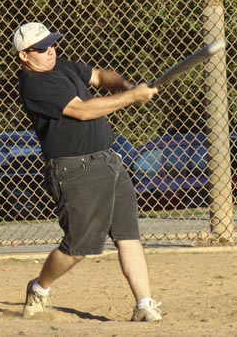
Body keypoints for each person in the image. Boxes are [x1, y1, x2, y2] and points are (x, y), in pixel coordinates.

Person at [13, 22, 162, 322]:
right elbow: (83, 110)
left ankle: (144, 304)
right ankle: (40, 287)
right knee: (78, 247)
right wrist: (132, 99)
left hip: (108, 159)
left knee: (128, 235)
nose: (50, 50)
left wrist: (125, 86)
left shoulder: (63, 66)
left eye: (52, 43)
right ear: (25, 57)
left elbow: (98, 75)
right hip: (74, 169)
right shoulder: (35, 84)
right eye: (41, 48)